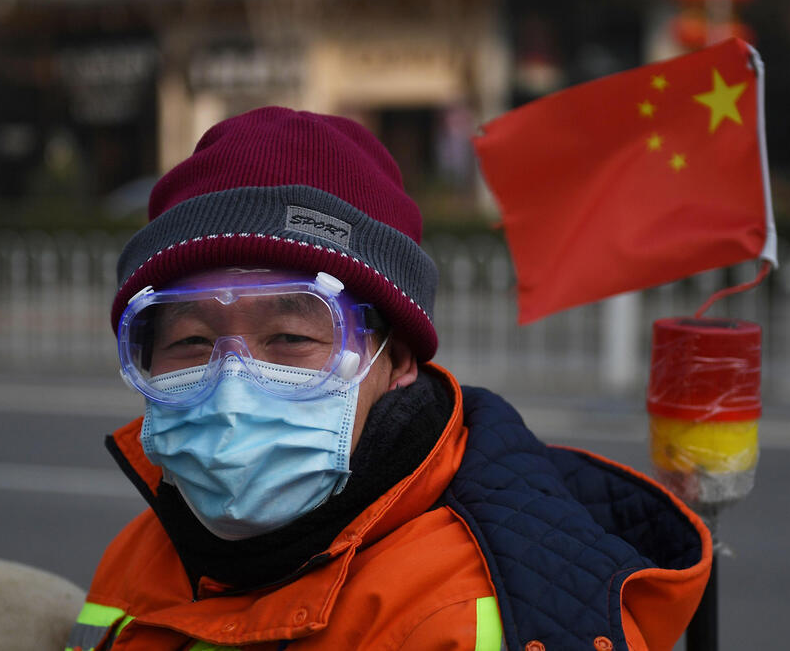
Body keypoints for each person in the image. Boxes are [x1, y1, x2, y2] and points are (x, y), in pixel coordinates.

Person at [69, 107, 711, 651]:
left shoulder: (470, 616)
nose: (231, 389)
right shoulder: (142, 551)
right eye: (188, 340)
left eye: (291, 338)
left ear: (398, 360)